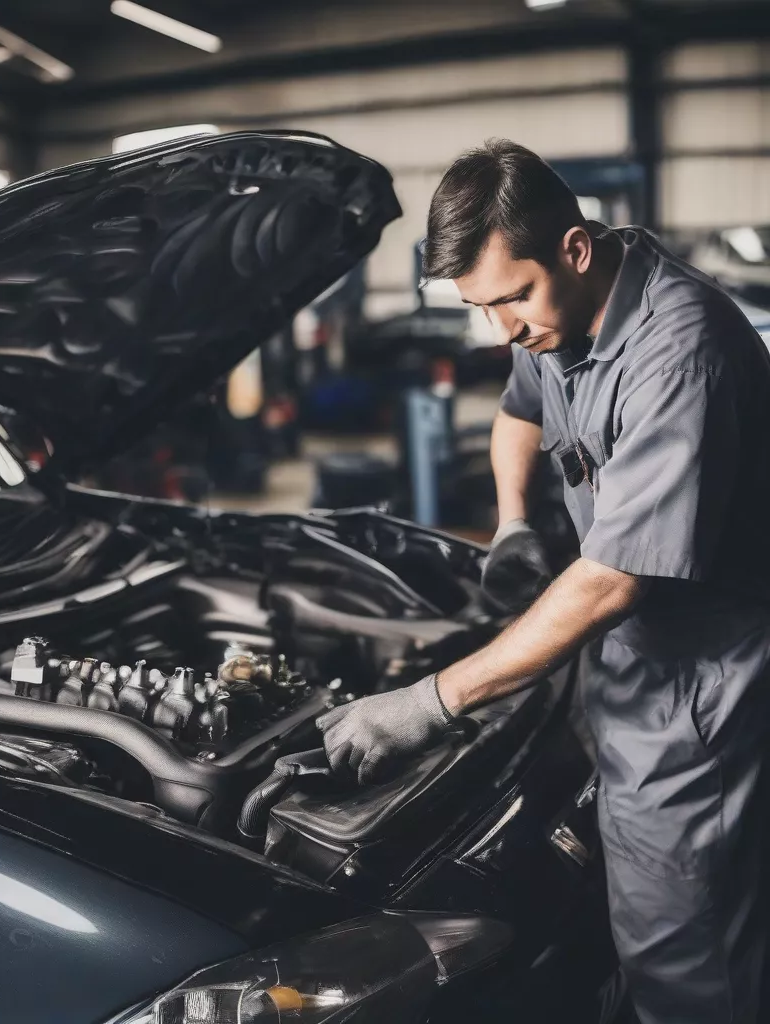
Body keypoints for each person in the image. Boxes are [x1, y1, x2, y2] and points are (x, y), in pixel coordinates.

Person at [317, 139, 770, 1024]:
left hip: (703, 686)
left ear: (574, 246)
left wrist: (429, 702)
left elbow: (610, 583)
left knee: (689, 938)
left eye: (512, 299)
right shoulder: (559, 310)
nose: (504, 330)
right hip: (626, 666)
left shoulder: (683, 351)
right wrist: (516, 519)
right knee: (627, 904)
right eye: (483, 308)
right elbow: (518, 413)